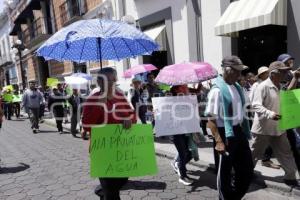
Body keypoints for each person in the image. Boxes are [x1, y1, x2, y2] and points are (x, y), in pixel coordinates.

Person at [82, 67, 136, 200]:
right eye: (110, 80)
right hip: (102, 150)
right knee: (112, 193)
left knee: (123, 179)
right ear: (100, 82)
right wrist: (99, 106)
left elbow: (132, 115)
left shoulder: (120, 97)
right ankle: (105, 191)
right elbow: (87, 125)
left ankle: (102, 191)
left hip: (121, 148)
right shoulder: (93, 99)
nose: (113, 83)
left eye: (114, 80)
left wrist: (130, 119)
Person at [205, 56, 253, 200]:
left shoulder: (238, 88)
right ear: (227, 70)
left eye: (240, 72)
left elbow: (248, 107)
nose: (240, 75)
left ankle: (234, 197)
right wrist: (219, 141)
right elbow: (211, 120)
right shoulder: (217, 91)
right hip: (224, 134)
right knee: (224, 173)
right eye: (237, 71)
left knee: (247, 169)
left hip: (238, 132)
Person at [251, 61, 300, 187]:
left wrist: (296, 77)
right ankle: (246, 172)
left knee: (286, 152)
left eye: (286, 71)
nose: (285, 73)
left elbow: (288, 94)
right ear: (273, 74)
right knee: (254, 154)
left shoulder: (280, 86)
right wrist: (270, 114)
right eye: (283, 71)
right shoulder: (262, 86)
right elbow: (255, 105)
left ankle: (290, 177)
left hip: (279, 128)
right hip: (263, 128)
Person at [277, 53, 300, 172]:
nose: (290, 64)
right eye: (287, 62)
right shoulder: (279, 75)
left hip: (295, 108)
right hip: (286, 111)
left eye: (291, 61)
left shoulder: (292, 73)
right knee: (295, 142)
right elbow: (286, 93)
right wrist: (295, 78)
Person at [169, 85, 196, 186]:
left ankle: (177, 164)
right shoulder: (170, 100)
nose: (186, 88)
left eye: (186, 87)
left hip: (185, 130)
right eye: (183, 87)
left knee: (188, 153)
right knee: (183, 152)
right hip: (175, 132)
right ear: (176, 89)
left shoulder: (187, 99)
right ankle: (183, 176)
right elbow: (163, 114)